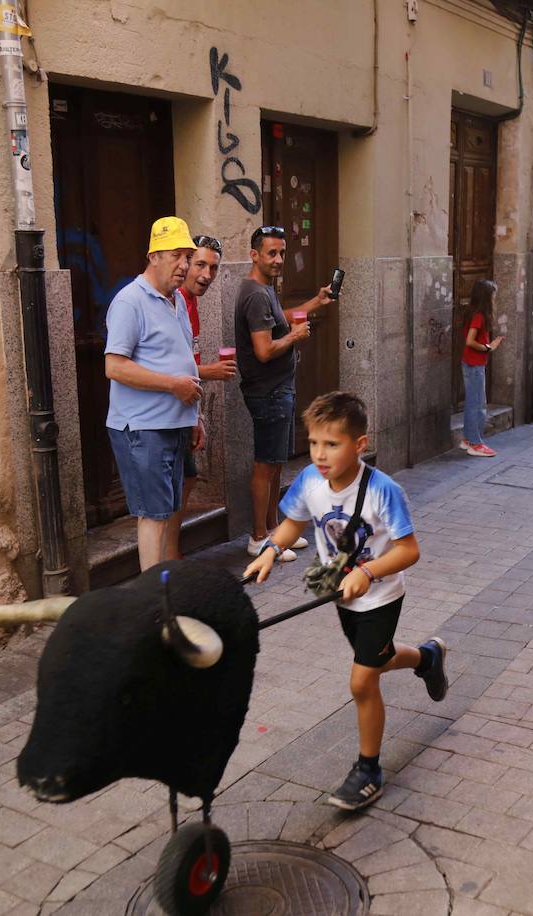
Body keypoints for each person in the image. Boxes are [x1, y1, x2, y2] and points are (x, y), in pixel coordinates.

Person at [243, 391, 448, 810]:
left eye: (332, 444)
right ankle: (427, 658)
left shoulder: (382, 491)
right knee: (379, 660)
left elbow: (409, 550)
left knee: (362, 680)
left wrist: (368, 571)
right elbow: (292, 523)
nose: (320, 453)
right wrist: (269, 549)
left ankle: (368, 770)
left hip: (381, 596)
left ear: (359, 445)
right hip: (341, 595)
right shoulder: (309, 481)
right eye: (315, 442)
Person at [104, 217, 202, 571]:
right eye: (177, 256)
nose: (185, 265)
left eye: (187, 257)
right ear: (153, 256)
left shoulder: (176, 300)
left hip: (172, 424)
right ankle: (152, 600)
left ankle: (162, 589)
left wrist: (195, 417)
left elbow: (182, 362)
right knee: (153, 515)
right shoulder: (130, 301)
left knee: (167, 510)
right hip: (142, 428)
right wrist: (172, 386)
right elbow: (114, 367)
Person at [236, 225, 335, 561]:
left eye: (281, 253)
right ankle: (259, 538)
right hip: (268, 391)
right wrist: (295, 338)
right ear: (254, 255)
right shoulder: (255, 294)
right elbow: (264, 350)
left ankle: (275, 529)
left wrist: (317, 302)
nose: (279, 260)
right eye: (271, 254)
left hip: (278, 389)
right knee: (266, 464)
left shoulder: (265, 289)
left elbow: (282, 320)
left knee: (276, 462)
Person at [168, 235, 238, 555]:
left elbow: (188, 357)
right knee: (175, 485)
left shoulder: (189, 302)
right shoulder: (172, 300)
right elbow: (171, 366)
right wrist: (208, 372)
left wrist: (197, 416)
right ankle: (168, 555)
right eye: (200, 264)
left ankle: (171, 550)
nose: (207, 275)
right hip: (163, 412)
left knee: (188, 478)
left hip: (184, 409)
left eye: (213, 267)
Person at [459, 279, 504, 457]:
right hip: (474, 364)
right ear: (486, 297)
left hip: (472, 363)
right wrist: (487, 347)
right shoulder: (479, 316)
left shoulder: (472, 313)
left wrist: (490, 344)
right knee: (476, 404)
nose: (494, 299)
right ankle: (475, 442)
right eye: (493, 296)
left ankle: (468, 439)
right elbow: (470, 341)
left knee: (474, 402)